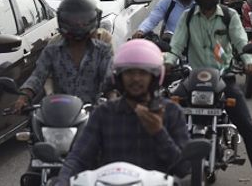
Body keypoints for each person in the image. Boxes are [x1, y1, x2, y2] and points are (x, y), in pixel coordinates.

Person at [168, 0, 252, 186]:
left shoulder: (229, 16)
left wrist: (249, 62)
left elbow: (241, 42)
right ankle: (160, 172)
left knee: (246, 125)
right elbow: (175, 46)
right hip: (192, 79)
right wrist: (164, 63)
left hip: (223, 78)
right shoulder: (187, 18)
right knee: (165, 116)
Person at [55, 40, 190, 185]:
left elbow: (184, 168)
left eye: (143, 72)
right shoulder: (104, 113)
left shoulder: (171, 112)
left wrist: (158, 132)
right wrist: (62, 182)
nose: (136, 78)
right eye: (130, 72)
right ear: (119, 76)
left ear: (155, 76)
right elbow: (79, 157)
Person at [14, 0, 113, 112]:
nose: (78, 24)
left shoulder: (102, 51)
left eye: (83, 20)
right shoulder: (52, 51)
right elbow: (37, 77)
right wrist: (23, 97)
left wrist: (113, 101)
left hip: (93, 115)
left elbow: (110, 81)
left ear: (93, 20)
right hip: (59, 113)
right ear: (63, 20)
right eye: (73, 20)